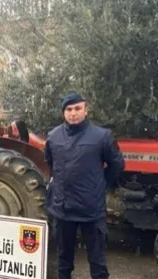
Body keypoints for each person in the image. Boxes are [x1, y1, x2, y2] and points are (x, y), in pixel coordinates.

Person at [44, 92, 125, 279]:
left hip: (91, 210)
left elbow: (117, 164)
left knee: (97, 262)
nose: (73, 113)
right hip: (62, 210)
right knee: (64, 260)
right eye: (69, 109)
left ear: (85, 110)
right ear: (64, 112)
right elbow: (50, 162)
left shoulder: (102, 136)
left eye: (77, 108)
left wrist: (100, 183)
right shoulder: (53, 136)